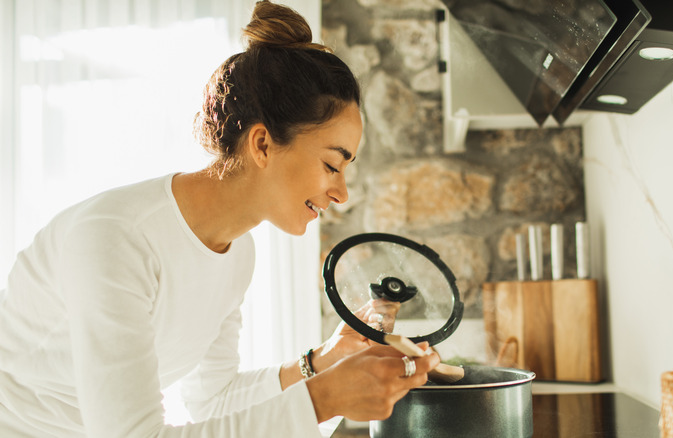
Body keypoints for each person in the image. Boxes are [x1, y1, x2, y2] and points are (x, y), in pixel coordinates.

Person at [0, 1, 439, 436]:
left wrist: (320, 363)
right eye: (331, 164)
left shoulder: (236, 251)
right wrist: (323, 398)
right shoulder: (114, 240)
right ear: (263, 144)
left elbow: (213, 399)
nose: (341, 192)